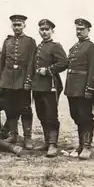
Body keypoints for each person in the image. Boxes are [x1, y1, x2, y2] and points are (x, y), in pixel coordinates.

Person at [0, 14, 36, 149]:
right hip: (8, 79)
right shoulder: (7, 41)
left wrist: (28, 80)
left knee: (25, 108)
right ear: (11, 26)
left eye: (19, 25)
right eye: (15, 25)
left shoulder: (30, 41)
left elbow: (31, 62)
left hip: (22, 79)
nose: (17, 27)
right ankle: (13, 135)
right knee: (10, 108)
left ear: (24, 26)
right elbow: (2, 62)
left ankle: (27, 138)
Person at [64, 18, 94, 160]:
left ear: (88, 30)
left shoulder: (93, 47)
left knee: (85, 117)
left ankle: (87, 146)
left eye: (82, 29)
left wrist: (90, 89)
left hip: (84, 89)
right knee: (76, 116)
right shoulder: (74, 47)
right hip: (73, 89)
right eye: (77, 29)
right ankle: (80, 145)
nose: (79, 31)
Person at [31, 19, 68, 157]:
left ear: (52, 31)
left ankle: (53, 144)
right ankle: (47, 142)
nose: (44, 32)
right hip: (38, 86)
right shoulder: (39, 46)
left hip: (50, 85)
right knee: (41, 114)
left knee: (51, 114)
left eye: (47, 30)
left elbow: (64, 62)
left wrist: (48, 70)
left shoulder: (55, 46)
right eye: (42, 30)